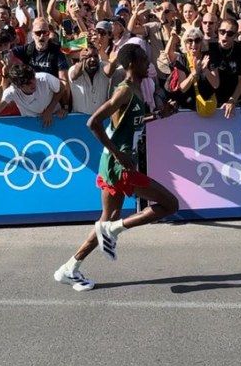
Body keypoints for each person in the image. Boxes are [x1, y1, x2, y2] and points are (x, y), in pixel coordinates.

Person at [54, 45, 180, 291]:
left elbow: (130, 123)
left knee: (106, 219)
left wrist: (158, 116)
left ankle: (69, 268)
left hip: (117, 163)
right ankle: (114, 229)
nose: (149, 64)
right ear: (132, 63)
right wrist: (117, 152)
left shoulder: (135, 90)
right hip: (119, 166)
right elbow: (94, 122)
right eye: (145, 59)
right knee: (170, 205)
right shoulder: (123, 90)